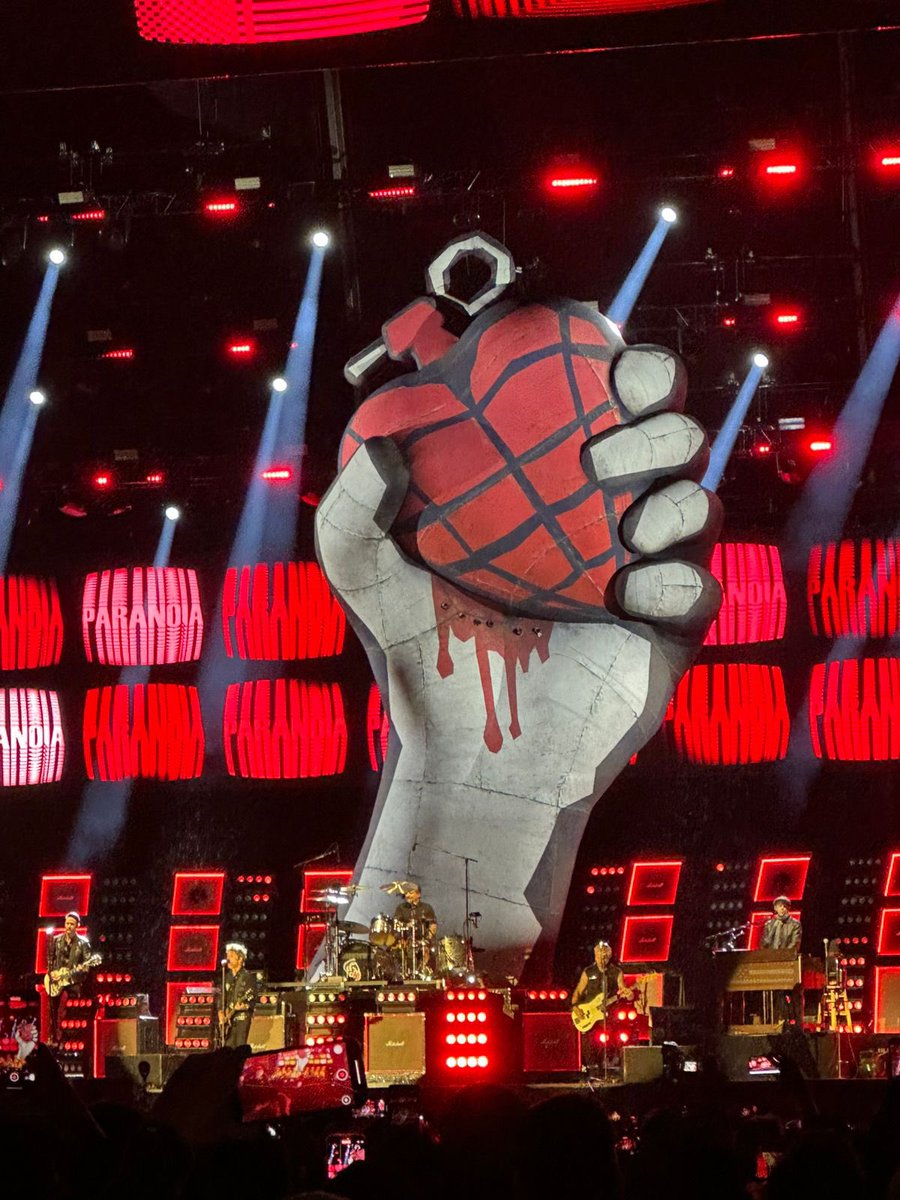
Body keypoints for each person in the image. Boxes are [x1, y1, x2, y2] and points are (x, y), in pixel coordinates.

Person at [571, 940, 631, 1077]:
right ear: (595, 956)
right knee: (588, 1041)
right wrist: (575, 1007)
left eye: (604, 956)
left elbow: (623, 989)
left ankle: (613, 1063)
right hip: (589, 1012)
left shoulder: (616, 972)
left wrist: (628, 993)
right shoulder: (588, 972)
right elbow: (578, 991)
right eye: (598, 955)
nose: (601, 958)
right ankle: (593, 1069)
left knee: (614, 1036)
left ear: (608, 956)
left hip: (608, 1011)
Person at [45, 912, 93, 1044]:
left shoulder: (83, 943)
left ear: (77, 925)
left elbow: (87, 967)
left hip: (73, 981)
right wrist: (52, 973)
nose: (69, 926)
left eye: (72, 924)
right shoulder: (56, 940)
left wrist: (79, 970)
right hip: (57, 980)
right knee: (51, 1006)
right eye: (67, 923)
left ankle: (61, 1035)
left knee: (63, 999)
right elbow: (50, 959)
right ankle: (52, 1036)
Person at [219, 942, 257, 1049]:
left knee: (240, 1046)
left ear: (240, 959)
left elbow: (253, 997)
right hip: (229, 1019)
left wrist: (244, 1006)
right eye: (227, 956)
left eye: (231, 956)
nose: (228, 959)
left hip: (242, 1018)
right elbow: (222, 998)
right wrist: (221, 1013)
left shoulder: (248, 977)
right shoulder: (226, 977)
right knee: (227, 1048)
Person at [393, 884, 438, 973]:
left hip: (422, 940)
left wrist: (427, 940)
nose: (407, 895)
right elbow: (396, 924)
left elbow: (433, 926)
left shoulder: (427, 908)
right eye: (406, 893)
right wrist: (402, 933)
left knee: (428, 951)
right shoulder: (401, 908)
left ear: (418, 894)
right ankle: (403, 972)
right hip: (406, 940)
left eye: (411, 893)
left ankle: (422, 971)